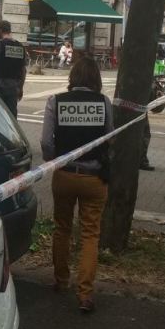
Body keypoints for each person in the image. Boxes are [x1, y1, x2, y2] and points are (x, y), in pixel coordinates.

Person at [41, 58, 112, 313]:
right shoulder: (103, 103)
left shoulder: (55, 102)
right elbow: (109, 136)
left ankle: (61, 281)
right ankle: (85, 294)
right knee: (90, 234)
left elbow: (46, 144)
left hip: (65, 175)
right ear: (96, 78)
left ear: (73, 77)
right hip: (95, 178)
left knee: (62, 228)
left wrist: (55, 162)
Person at [0, 20, 27, 116]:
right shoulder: (20, 46)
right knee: (11, 115)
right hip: (13, 86)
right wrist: (20, 88)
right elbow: (23, 70)